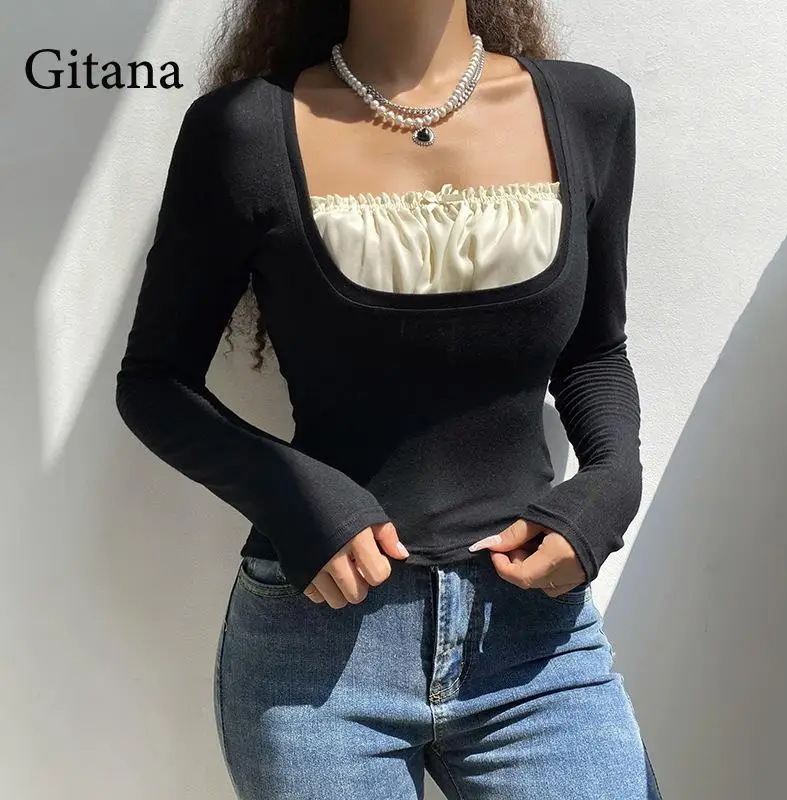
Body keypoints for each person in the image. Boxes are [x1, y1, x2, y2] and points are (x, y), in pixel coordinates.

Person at [115, 1, 663, 797]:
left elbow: (595, 351)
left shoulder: (588, 110)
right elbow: (154, 381)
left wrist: (613, 481)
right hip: (318, 651)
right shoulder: (244, 128)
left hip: (535, 645)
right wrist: (292, 493)